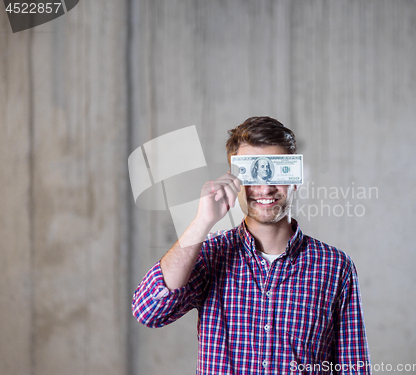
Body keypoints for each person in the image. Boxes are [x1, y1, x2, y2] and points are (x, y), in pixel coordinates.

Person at [132, 116, 371, 374]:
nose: (265, 188)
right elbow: (150, 311)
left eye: (277, 172)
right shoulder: (211, 255)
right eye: (252, 174)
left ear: (295, 177)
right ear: (234, 180)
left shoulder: (335, 267)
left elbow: (353, 367)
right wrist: (203, 221)